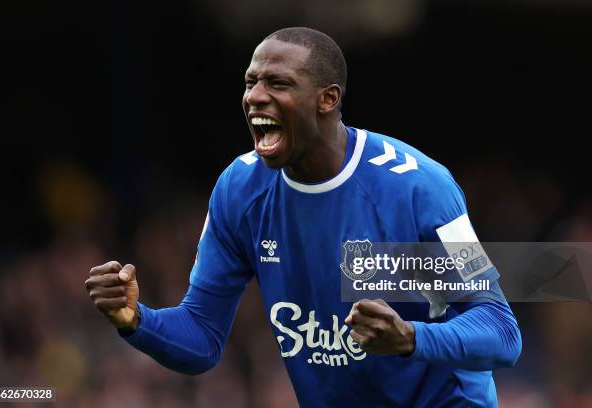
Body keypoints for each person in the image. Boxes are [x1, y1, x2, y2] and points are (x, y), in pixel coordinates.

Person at [85, 27, 521, 407]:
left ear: (327, 99)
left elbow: (501, 330)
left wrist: (411, 338)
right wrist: (135, 320)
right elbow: (201, 337)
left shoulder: (420, 188)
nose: (256, 95)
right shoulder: (240, 190)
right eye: (251, 81)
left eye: (277, 83)